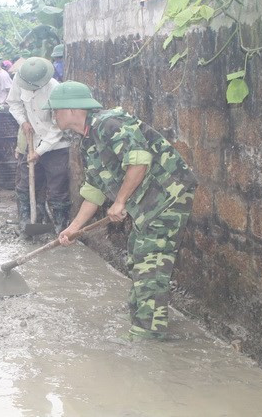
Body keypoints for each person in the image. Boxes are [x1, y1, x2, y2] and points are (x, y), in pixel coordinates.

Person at [46, 81, 197, 341]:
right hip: (147, 206)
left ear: (71, 109)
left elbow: (139, 160)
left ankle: (148, 337)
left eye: (55, 110)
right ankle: (140, 322)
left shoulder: (109, 124)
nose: (52, 116)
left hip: (168, 197)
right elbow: (94, 190)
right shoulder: (88, 142)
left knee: (151, 264)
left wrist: (120, 201)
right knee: (137, 259)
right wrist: (74, 228)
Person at [6, 57, 72, 233]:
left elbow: (57, 126)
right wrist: (23, 121)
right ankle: (27, 219)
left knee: (57, 185)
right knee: (26, 181)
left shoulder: (55, 89)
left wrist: (40, 151)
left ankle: (60, 226)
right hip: (32, 140)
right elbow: (13, 103)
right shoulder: (19, 81)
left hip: (55, 145)